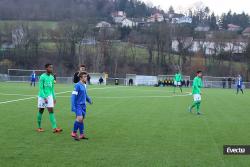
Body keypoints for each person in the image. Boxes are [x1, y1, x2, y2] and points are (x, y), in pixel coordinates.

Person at [37, 64, 62, 133]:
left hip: (50, 96)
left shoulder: (52, 77)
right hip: (42, 96)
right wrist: (44, 97)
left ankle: (55, 128)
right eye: (50, 67)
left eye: (52, 67)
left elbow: (52, 88)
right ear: (46, 68)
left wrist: (54, 97)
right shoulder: (42, 77)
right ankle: (39, 127)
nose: (51, 69)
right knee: (41, 111)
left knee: (51, 110)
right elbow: (41, 88)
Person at [71, 72, 93, 140]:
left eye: (86, 77)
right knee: (79, 118)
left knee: (81, 120)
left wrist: (89, 100)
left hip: (83, 105)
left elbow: (85, 95)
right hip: (78, 105)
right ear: (80, 78)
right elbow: (73, 96)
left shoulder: (84, 85)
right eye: (84, 77)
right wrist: (73, 106)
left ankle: (81, 134)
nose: (86, 78)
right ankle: (74, 133)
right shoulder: (77, 85)